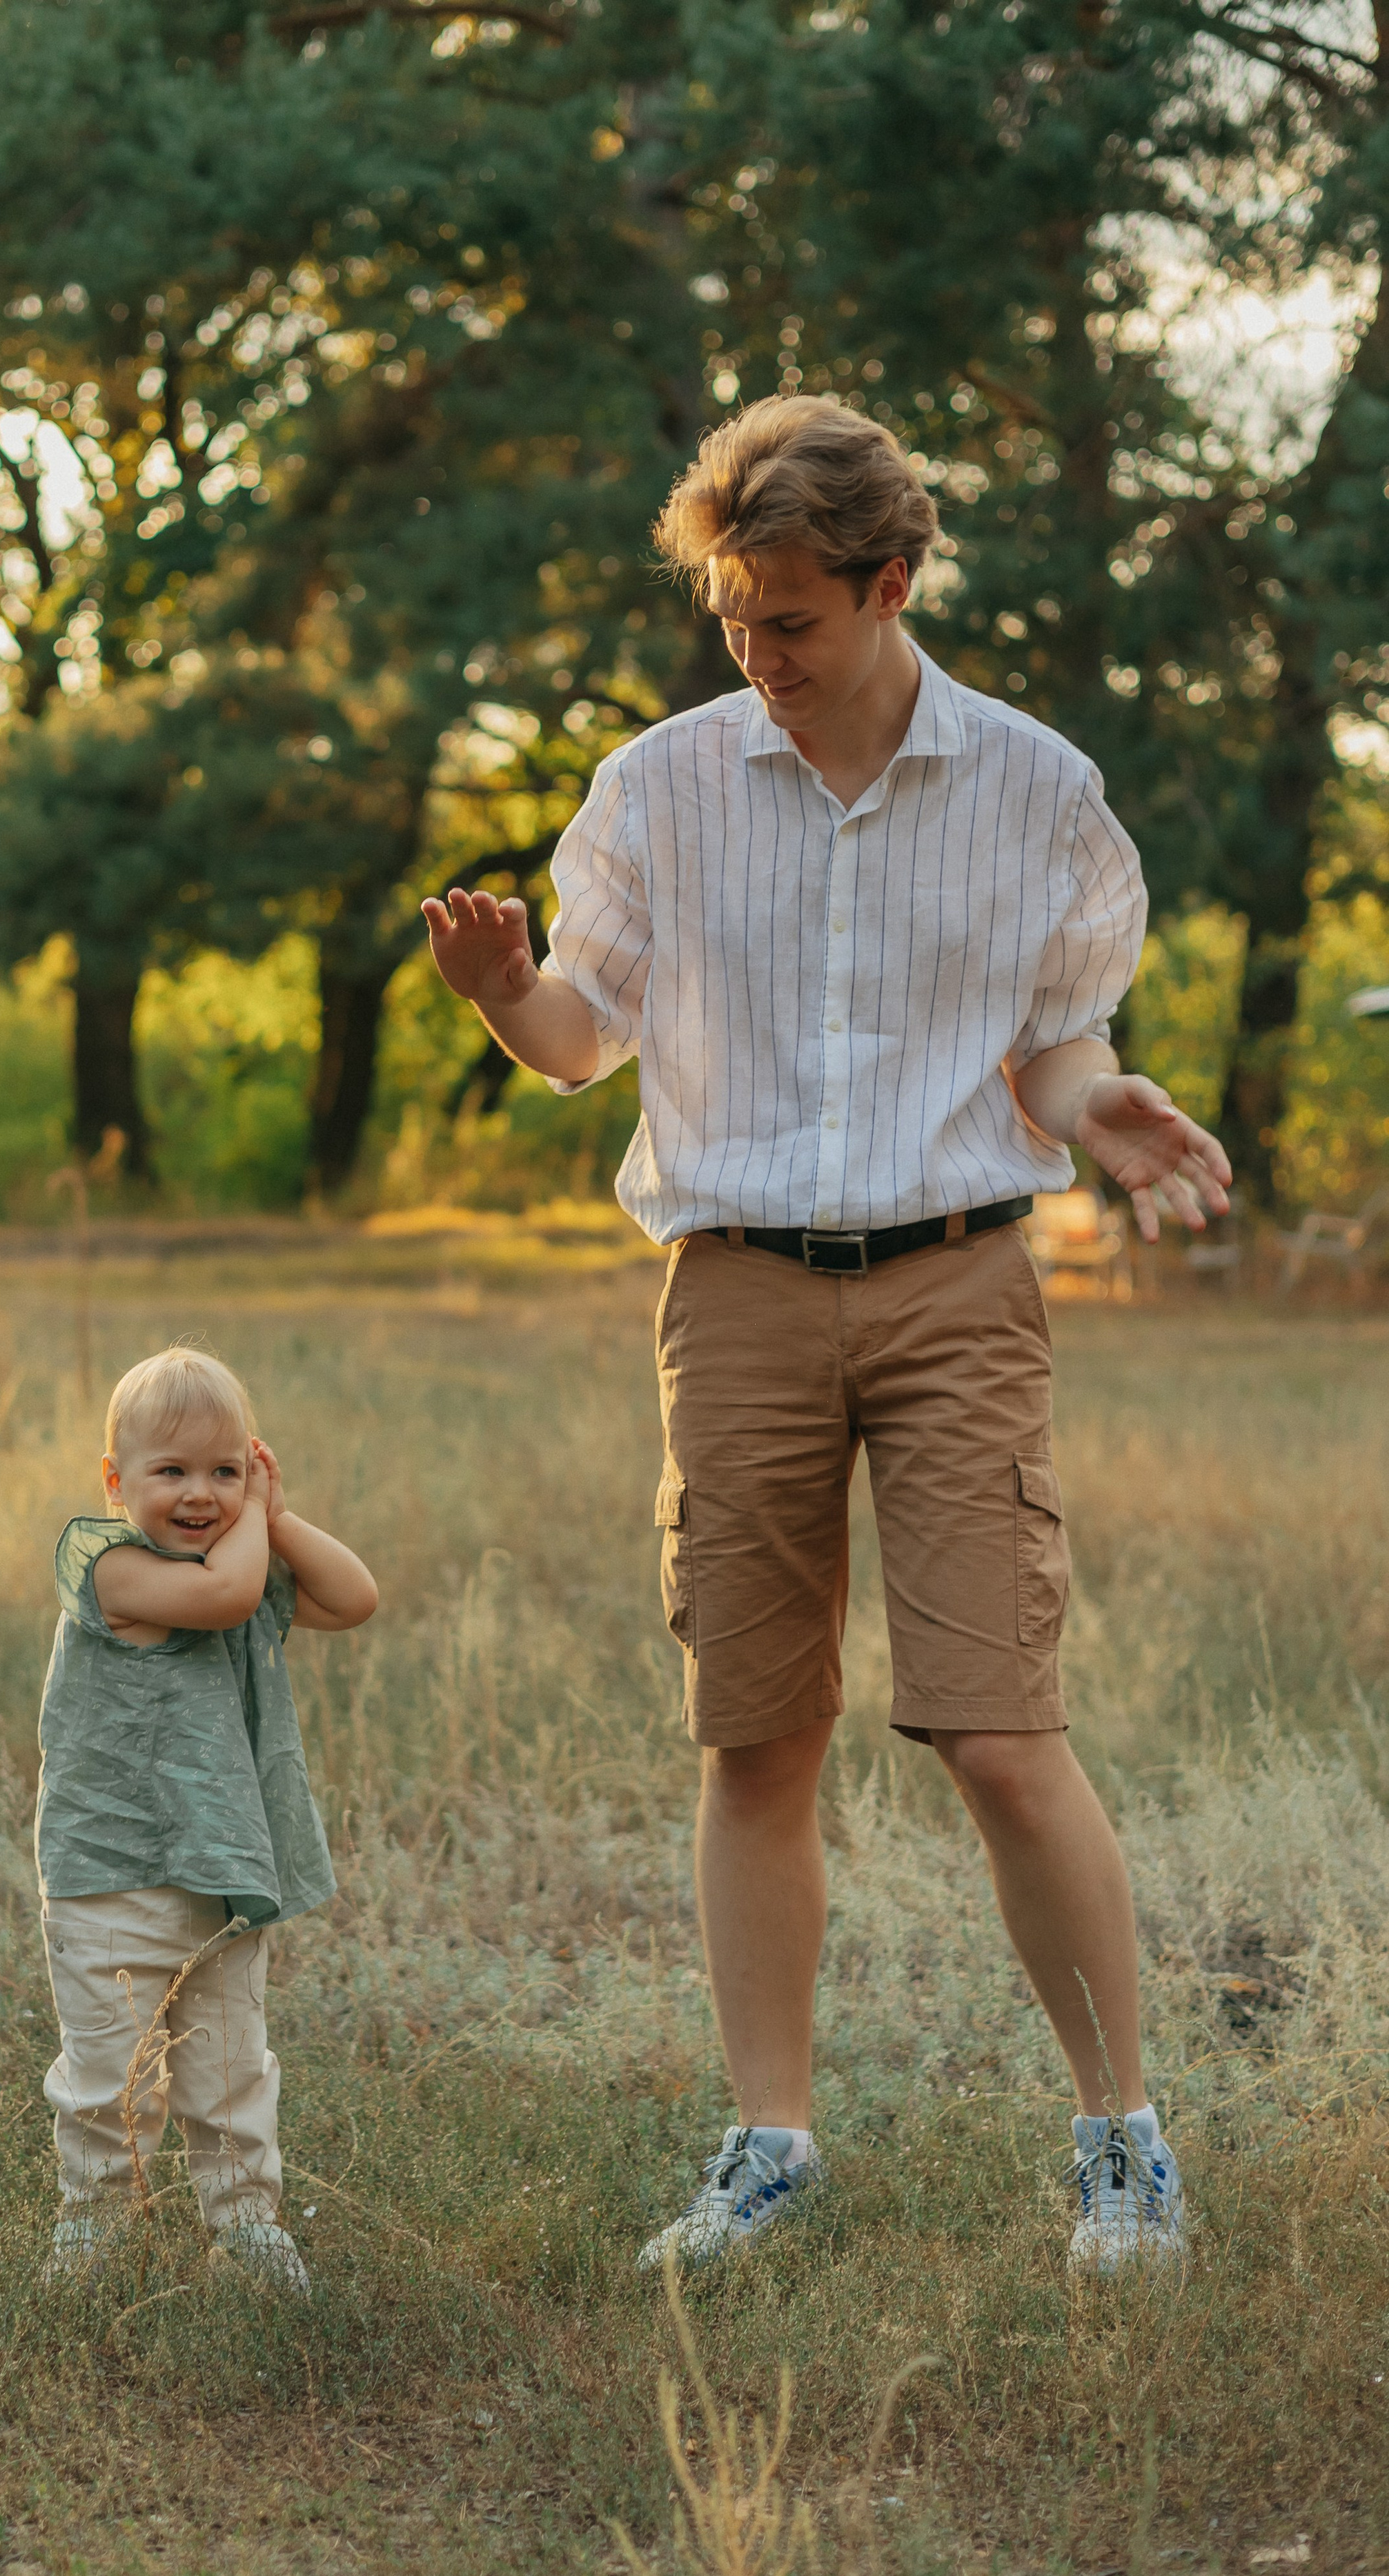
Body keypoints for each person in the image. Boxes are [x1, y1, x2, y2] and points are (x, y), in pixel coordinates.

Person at [422, 396, 1230, 2277]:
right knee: (756, 1734)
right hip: (742, 1293)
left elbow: (1058, 1042)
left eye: (791, 621)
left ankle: (1125, 2144)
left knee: (998, 1728)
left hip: (960, 1281)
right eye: (732, 620)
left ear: (890, 585)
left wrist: (1100, 1109)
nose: (759, 660)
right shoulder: (659, 789)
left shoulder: (1038, 790)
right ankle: (771, 2147)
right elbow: (576, 1042)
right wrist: (500, 992)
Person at [36, 1344, 377, 2288]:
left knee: (231, 2069)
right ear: (115, 1481)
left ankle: (246, 2225)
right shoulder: (108, 1569)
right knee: (112, 2077)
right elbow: (226, 1598)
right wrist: (253, 1522)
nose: (200, 1495)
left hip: (225, 1873)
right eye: (171, 1471)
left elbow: (356, 1599)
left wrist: (281, 1512)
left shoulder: (245, 1555)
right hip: (116, 1875)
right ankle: (98, 2227)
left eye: (226, 1471)